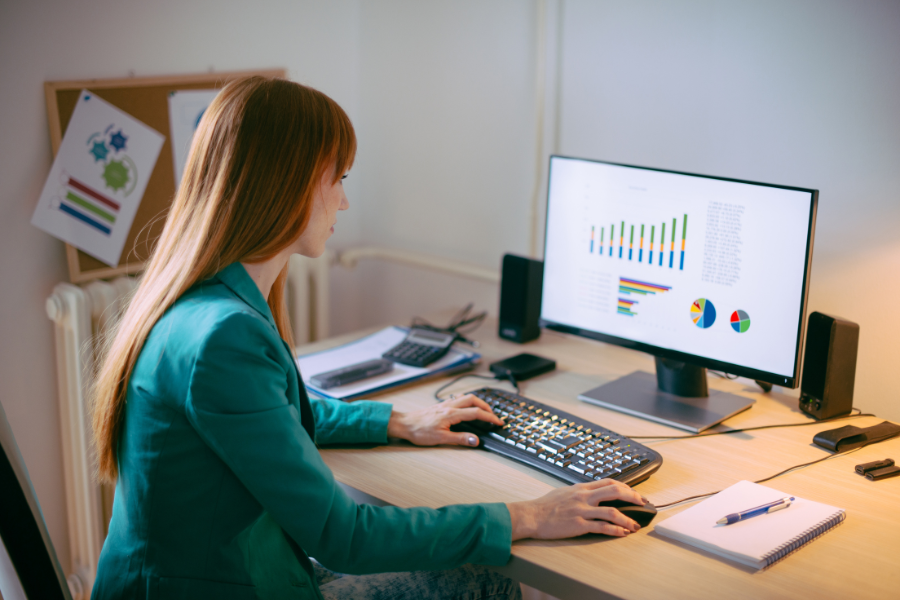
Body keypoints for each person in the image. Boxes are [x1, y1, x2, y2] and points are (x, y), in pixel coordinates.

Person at [90, 76, 646, 600]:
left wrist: (397, 422)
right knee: (483, 579)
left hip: (196, 571)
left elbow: (272, 418)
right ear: (288, 184)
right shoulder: (225, 337)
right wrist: (528, 515)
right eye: (340, 179)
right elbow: (343, 536)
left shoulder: (198, 303)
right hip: (216, 584)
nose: (345, 202)